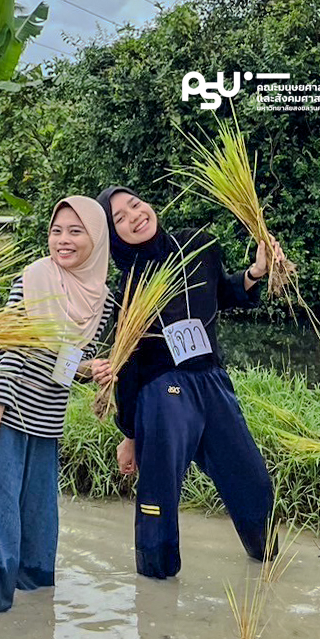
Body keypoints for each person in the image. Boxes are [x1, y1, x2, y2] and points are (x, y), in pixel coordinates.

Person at [95, 185, 279, 579]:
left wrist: (255, 273)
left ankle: (266, 560)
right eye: (120, 220)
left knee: (254, 481)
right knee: (159, 495)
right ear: (113, 238)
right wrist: (129, 434)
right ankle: (156, 585)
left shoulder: (199, 246)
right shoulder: (128, 286)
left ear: (148, 203)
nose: (134, 216)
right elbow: (128, 365)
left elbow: (220, 295)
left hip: (211, 380)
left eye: (135, 204)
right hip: (163, 390)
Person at [0, 195, 113, 613]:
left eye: (75, 231)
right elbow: (9, 351)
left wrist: (94, 370)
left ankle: (32, 626)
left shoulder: (102, 299)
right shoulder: (34, 279)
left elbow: (67, 362)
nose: (63, 240)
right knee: (0, 521)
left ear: (97, 240)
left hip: (46, 416)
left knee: (40, 524)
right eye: (56, 231)